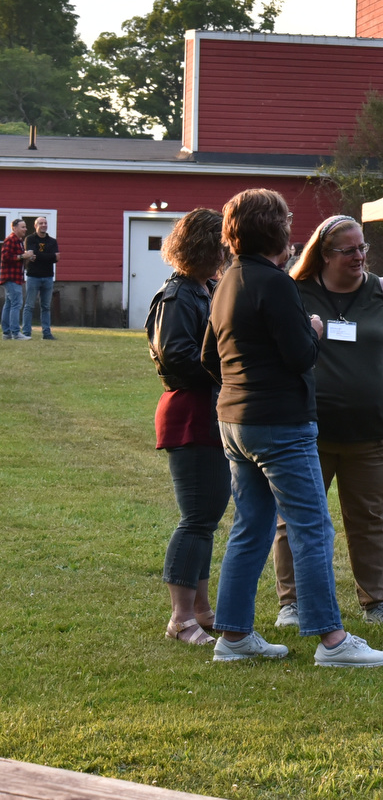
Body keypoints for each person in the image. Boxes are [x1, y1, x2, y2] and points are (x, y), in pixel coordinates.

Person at [203, 188, 383, 666]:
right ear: (280, 232)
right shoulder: (276, 283)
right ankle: (332, 640)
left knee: (251, 528)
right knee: (312, 528)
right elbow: (301, 356)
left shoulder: (227, 280)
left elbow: (208, 357)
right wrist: (314, 330)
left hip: (235, 421)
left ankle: (234, 637)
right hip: (281, 425)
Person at [273, 215, 383, 631]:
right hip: (305, 432)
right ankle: (291, 604)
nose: (360, 257)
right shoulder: (294, 292)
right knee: (294, 520)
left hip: (374, 432)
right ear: (323, 254)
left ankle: (376, 603)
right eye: (349, 250)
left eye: (362, 248)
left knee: (369, 521)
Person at [147, 208, 230, 648]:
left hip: (208, 410)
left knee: (207, 517)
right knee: (197, 518)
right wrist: (229, 369)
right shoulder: (178, 296)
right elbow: (177, 357)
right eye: (222, 243)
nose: (228, 250)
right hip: (191, 411)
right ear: (204, 245)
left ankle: (201, 609)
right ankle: (181, 618)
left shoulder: (205, 288)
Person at [22, 215, 58, 339]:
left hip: (48, 277)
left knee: (46, 306)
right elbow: (31, 255)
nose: (44, 225)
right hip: (33, 276)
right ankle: (26, 332)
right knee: (29, 305)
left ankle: (46, 333)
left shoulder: (52, 241)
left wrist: (39, 256)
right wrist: (49, 256)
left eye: (45, 223)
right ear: (36, 225)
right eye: (41, 223)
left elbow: (57, 258)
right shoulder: (30, 239)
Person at [1, 217, 25, 340]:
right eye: (22, 227)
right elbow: (5, 257)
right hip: (10, 277)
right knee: (16, 303)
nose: (25, 229)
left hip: (15, 277)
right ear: (14, 228)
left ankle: (6, 333)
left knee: (9, 304)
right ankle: (15, 332)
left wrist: (27, 257)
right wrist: (22, 256)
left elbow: (18, 257)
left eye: (25, 227)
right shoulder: (10, 240)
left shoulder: (19, 241)